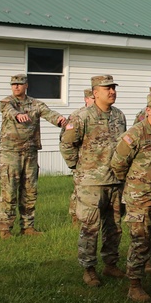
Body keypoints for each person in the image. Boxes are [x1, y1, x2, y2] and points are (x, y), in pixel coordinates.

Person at [109, 92, 151, 303]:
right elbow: (118, 164)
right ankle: (134, 285)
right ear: (149, 111)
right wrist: (137, 185)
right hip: (140, 199)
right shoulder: (135, 134)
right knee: (141, 242)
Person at [60, 75, 127, 287]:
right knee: (90, 227)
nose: (112, 92)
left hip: (115, 181)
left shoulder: (119, 116)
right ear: (95, 92)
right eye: (107, 88)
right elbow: (67, 144)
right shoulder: (81, 117)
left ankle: (111, 263)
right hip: (91, 183)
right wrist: (78, 168)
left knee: (114, 226)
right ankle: (88, 269)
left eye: (113, 88)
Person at [0, 73, 68, 238]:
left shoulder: (36, 104)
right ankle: (5, 229)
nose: (16, 87)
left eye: (20, 84)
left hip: (30, 153)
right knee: (9, 191)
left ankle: (28, 227)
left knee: (29, 191)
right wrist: (17, 115)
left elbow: (49, 113)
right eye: (13, 84)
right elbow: (9, 111)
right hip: (10, 153)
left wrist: (61, 121)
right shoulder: (7, 102)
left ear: (26, 85)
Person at [66, 88, 94, 226]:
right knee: (78, 190)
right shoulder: (77, 116)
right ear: (86, 99)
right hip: (81, 162)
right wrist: (74, 163)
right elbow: (67, 142)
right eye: (92, 99)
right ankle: (75, 218)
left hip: (98, 164)